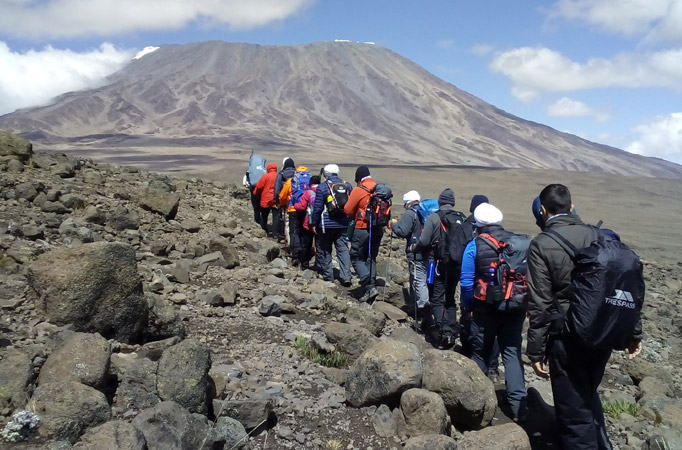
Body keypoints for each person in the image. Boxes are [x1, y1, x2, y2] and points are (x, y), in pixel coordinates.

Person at [527, 184, 643, 450]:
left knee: (574, 415)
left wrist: (535, 351)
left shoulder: (542, 244)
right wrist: (633, 333)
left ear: (543, 210)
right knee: (587, 395)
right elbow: (625, 284)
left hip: (568, 338)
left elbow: (541, 303)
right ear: (572, 205)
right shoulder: (600, 235)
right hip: (603, 331)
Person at [460, 202, 527, 422]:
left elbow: (467, 282)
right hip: (515, 308)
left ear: (478, 223)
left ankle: (476, 405)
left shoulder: (474, 246)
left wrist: (468, 305)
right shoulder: (518, 242)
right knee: (512, 354)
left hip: (485, 309)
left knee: (480, 353)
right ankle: (519, 407)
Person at [411, 188, 465, 349]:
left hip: (438, 263)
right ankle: (451, 331)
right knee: (450, 297)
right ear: (453, 203)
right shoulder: (461, 218)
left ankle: (443, 332)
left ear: (440, 202)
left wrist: (415, 248)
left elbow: (424, 240)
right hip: (457, 264)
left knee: (436, 297)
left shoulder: (434, 217)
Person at [309, 164, 353, 285]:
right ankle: (346, 276)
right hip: (343, 224)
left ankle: (328, 277)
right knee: (343, 249)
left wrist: (313, 223)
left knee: (325, 249)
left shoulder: (323, 187)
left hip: (326, 224)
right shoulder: (347, 185)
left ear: (325, 174)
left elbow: (317, 208)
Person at [344, 165, 383, 302]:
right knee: (371, 257)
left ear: (358, 178)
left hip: (362, 228)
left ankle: (368, 284)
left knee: (356, 257)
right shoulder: (379, 189)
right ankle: (371, 287)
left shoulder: (359, 190)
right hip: (378, 228)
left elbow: (348, 210)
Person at [389, 190, 430, 312]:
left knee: (418, 279)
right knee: (424, 278)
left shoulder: (410, 213)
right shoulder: (426, 212)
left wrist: (394, 225)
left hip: (415, 251)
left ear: (407, 203)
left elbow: (403, 231)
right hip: (428, 251)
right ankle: (420, 305)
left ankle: (423, 309)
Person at [279, 164, 310, 263]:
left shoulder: (291, 181)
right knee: (303, 231)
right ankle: (304, 254)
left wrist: (283, 204)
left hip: (293, 209)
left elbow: (282, 196)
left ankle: (295, 254)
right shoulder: (309, 181)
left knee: (294, 232)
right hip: (306, 209)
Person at [294, 175, 321, 270]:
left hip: (308, 224)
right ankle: (319, 265)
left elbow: (301, 207)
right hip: (321, 224)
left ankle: (305, 266)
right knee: (320, 245)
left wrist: (295, 205)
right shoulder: (325, 190)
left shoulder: (308, 193)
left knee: (306, 245)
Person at [274, 157, 296, 242]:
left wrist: (277, 200)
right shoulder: (297, 173)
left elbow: (277, 188)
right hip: (298, 202)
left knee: (287, 222)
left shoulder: (281, 174)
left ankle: (290, 243)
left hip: (285, 201)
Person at [252, 163, 278, 235]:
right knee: (276, 217)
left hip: (266, 199)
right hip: (276, 199)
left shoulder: (265, 176)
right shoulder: (279, 176)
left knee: (264, 216)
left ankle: (264, 231)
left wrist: (255, 193)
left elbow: (259, 186)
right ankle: (275, 233)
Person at [243, 153, 267, 225]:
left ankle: (257, 222)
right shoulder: (264, 171)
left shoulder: (250, 170)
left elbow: (245, 182)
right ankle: (263, 224)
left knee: (256, 208)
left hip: (253, 190)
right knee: (262, 208)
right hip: (263, 192)